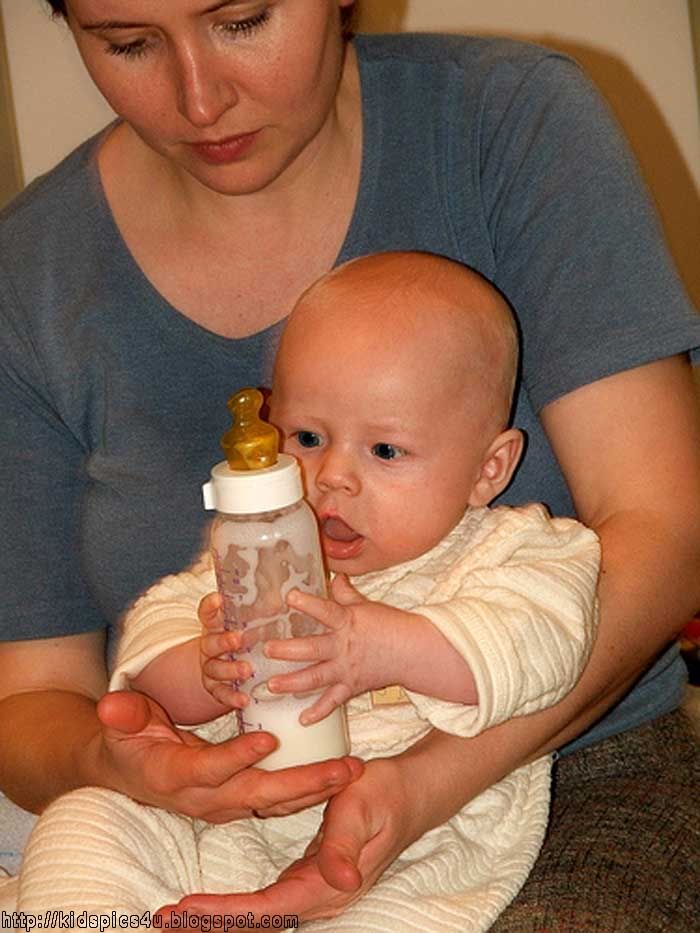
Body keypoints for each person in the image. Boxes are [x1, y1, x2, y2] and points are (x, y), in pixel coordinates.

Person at [1, 1, 699, 927]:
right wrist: (130, 746)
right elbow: (45, 695)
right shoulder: (31, 272)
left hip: (547, 776)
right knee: (81, 846)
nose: (200, 99)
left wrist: (414, 775)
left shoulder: (508, 122)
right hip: (218, 811)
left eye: (242, 20)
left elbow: (665, 531)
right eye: (126, 43)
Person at [18, 253, 601, 932]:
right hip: (219, 823)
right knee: (83, 823)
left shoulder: (514, 550)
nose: (332, 478)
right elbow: (161, 631)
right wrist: (207, 668)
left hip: (412, 847)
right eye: (309, 436)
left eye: (385, 450)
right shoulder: (258, 549)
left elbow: (545, 643)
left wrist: (386, 647)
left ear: (488, 467)